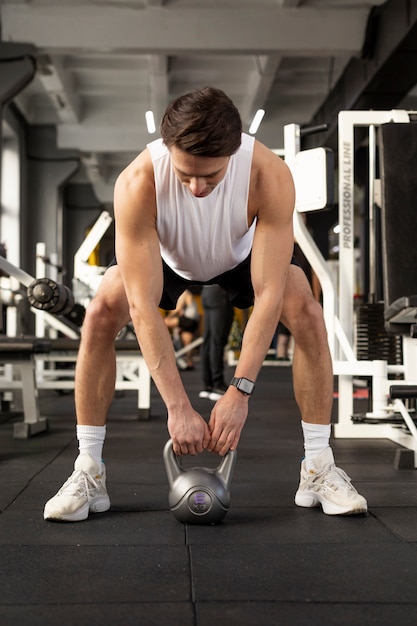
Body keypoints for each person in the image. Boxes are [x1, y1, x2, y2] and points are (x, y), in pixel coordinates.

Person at [44, 86, 367, 522]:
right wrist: (178, 407)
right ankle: (88, 470)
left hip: (242, 254)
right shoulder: (138, 182)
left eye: (210, 177)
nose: (196, 188)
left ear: (233, 154)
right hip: (167, 255)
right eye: (185, 175)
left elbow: (268, 293)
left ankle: (318, 466)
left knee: (307, 312)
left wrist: (240, 391)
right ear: (167, 148)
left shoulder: (268, 174)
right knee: (101, 312)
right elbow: (142, 308)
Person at [199, 284, 234, 400]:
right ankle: (217, 384)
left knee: (209, 340)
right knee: (217, 341)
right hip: (219, 292)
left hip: (207, 292)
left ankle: (208, 384)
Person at [164, 289, 200, 369]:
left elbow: (177, 309)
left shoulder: (184, 293)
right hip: (194, 320)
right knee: (187, 343)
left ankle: (163, 343)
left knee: (163, 323)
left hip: (189, 319)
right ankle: (189, 363)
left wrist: (168, 317)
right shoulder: (187, 294)